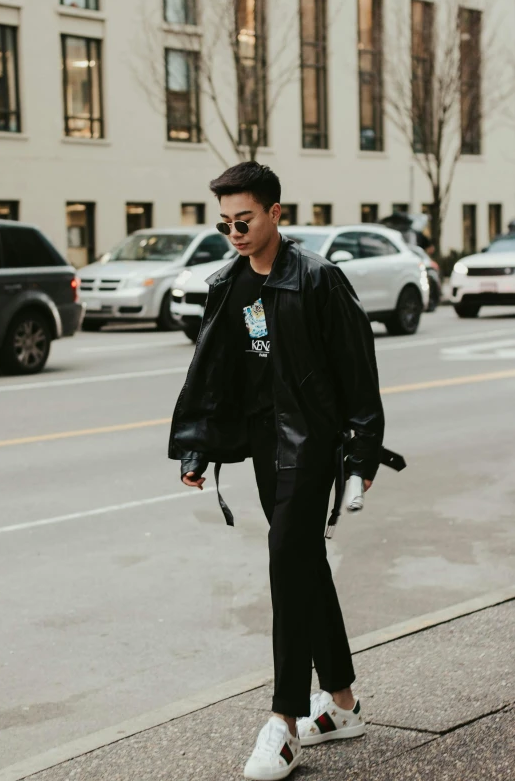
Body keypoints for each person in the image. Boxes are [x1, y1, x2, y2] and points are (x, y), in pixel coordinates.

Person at [169, 162, 402, 780]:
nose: (235, 233)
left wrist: (361, 453)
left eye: (244, 220)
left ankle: (285, 721)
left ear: (276, 213)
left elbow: (358, 376)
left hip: (312, 446)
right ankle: (344, 705)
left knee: (285, 566)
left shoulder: (321, 281)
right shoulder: (231, 285)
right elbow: (215, 375)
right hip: (265, 447)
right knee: (304, 563)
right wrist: (199, 447)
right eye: (224, 225)